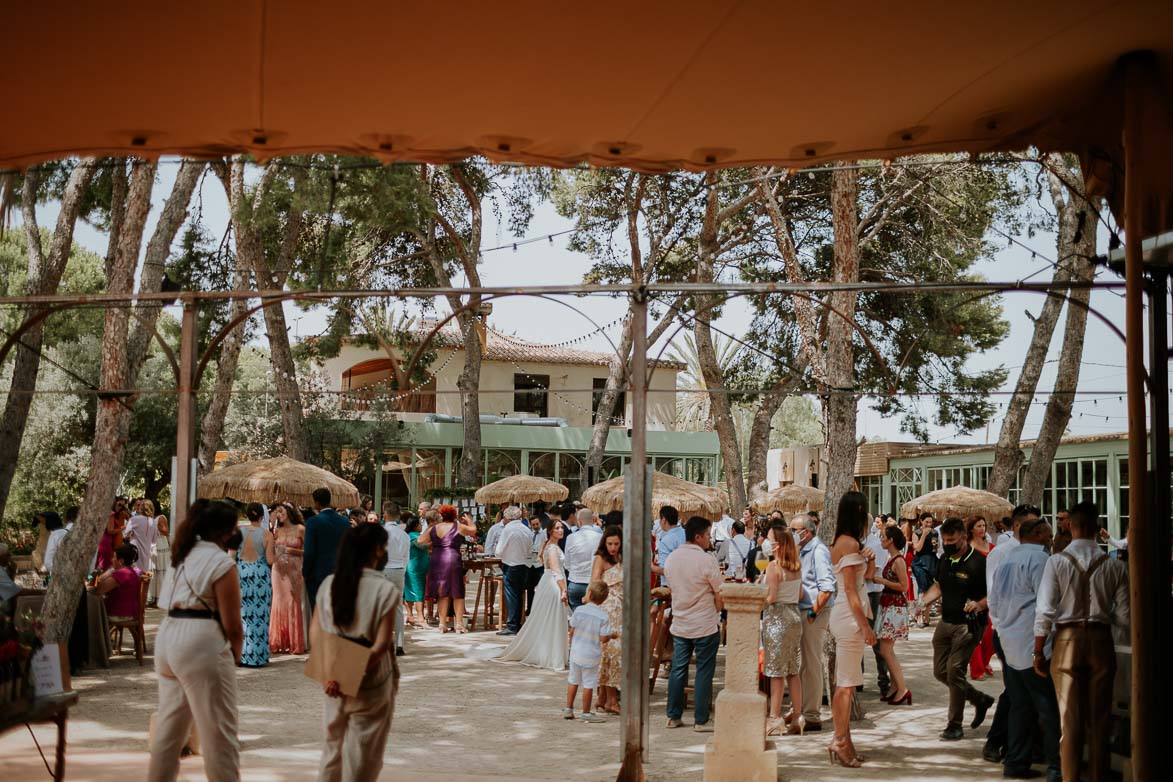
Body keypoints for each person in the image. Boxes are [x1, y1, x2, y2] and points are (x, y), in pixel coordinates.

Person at [149, 499, 244, 782]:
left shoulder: (183, 555)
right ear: (226, 532)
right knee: (219, 734)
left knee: (168, 734)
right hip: (200, 640)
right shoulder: (221, 562)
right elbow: (233, 625)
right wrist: (234, 655)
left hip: (168, 636)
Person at [1034, 501, 1129, 782]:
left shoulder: (1057, 561)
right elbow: (1124, 616)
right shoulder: (1114, 566)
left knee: (1070, 723)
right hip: (1100, 640)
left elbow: (1045, 611)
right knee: (1099, 721)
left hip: (1066, 640)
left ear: (1071, 526)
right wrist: (1101, 614)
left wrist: (1038, 651)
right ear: (1097, 528)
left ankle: (1071, 777)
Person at [316, 523, 399, 782]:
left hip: (333, 676)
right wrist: (353, 672)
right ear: (376, 550)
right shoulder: (385, 590)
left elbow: (318, 635)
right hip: (371, 677)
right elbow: (382, 644)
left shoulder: (329, 584)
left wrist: (333, 676)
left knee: (332, 750)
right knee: (363, 757)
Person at [987, 517, 1061, 781]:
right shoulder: (1041, 560)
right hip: (1031, 642)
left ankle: (1016, 762)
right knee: (1046, 706)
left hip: (1009, 639)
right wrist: (1040, 646)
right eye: (1049, 533)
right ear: (1039, 533)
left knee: (1020, 705)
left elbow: (994, 603)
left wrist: (1005, 631)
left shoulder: (1006, 558)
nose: (1052, 538)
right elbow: (1046, 606)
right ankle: (1055, 766)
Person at [919, 516, 996, 741]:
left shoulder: (979, 563)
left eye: (952, 540)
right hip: (946, 623)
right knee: (940, 671)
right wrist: (923, 602)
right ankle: (979, 698)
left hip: (969, 625)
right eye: (945, 540)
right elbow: (939, 585)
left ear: (964, 537)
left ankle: (954, 725)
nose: (948, 544)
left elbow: (995, 592)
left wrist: (979, 604)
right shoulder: (945, 559)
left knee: (955, 671)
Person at [981, 502, 1039, 765]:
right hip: (1008, 632)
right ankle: (996, 741)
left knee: (1020, 691)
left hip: (1029, 633)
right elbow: (995, 596)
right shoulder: (1002, 553)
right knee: (1015, 692)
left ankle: (1015, 744)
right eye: (1033, 525)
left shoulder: (1038, 551)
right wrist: (1002, 629)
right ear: (1017, 525)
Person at [827, 492, 877, 767]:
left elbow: (865, 578)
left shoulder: (845, 543)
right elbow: (850, 589)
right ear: (859, 510)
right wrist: (865, 625)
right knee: (845, 686)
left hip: (846, 614)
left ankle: (846, 740)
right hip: (849, 615)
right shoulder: (848, 543)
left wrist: (868, 559)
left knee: (845, 683)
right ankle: (840, 741)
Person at [664, 516, 723, 733]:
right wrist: (716, 610)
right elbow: (719, 593)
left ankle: (673, 715)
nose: (710, 539)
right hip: (705, 623)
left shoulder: (671, 559)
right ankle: (701, 719)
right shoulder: (707, 560)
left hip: (681, 621)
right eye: (708, 535)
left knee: (678, 669)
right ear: (698, 537)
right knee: (704, 671)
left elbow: (671, 587)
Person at [494, 518, 569, 670]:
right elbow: (555, 570)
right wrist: (563, 589)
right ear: (550, 531)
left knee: (548, 617)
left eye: (561, 528)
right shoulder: (552, 548)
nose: (560, 530)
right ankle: (549, 653)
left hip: (548, 581)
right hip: (554, 584)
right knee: (551, 617)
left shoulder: (549, 545)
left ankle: (549, 650)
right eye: (557, 528)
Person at [762, 521, 805, 737]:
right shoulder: (796, 567)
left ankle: (775, 717)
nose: (767, 543)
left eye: (770, 540)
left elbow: (770, 598)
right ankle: (798, 716)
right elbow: (799, 595)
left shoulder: (774, 567)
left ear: (777, 545)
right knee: (792, 670)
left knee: (775, 671)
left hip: (777, 618)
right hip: (794, 617)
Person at [791, 513, 834, 730]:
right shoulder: (805, 550)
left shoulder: (818, 551)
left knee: (812, 664)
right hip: (805, 611)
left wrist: (812, 614)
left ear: (805, 532)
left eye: (794, 530)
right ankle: (802, 709)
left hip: (813, 613)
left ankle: (812, 715)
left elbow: (827, 588)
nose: (791, 534)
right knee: (804, 665)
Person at [563, 579, 616, 723]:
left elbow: (572, 629)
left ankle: (569, 708)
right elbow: (603, 638)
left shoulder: (579, 610)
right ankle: (586, 712)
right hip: (591, 654)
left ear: (589, 593)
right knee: (588, 684)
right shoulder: (603, 616)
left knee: (573, 680)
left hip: (576, 652)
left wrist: (571, 642)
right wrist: (612, 635)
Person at [870, 524, 911, 705]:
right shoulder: (892, 558)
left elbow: (904, 586)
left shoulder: (898, 561)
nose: (881, 540)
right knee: (886, 650)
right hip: (889, 605)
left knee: (886, 650)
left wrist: (882, 580)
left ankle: (902, 688)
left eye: (883, 537)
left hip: (894, 606)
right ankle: (896, 686)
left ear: (891, 540)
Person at [418, 504, 476, 632]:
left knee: (442, 592)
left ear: (441, 515)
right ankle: (459, 624)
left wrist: (434, 542)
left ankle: (442, 624)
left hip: (437, 559)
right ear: (454, 515)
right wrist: (469, 520)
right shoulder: (458, 527)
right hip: (453, 558)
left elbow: (420, 540)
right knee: (457, 592)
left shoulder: (435, 528)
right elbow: (473, 530)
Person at [236, 503, 275, 668]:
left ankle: (241, 654)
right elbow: (270, 560)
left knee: (243, 615)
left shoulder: (239, 532)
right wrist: (279, 553)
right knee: (260, 615)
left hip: (242, 574)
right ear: (261, 516)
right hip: (260, 577)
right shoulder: (267, 535)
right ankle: (257, 656)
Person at [591, 525, 623, 715]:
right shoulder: (600, 559)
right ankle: (610, 698)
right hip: (607, 607)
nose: (613, 547)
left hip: (621, 609)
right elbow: (594, 583)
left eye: (616, 544)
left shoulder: (622, 558)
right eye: (610, 543)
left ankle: (603, 696)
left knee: (612, 653)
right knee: (610, 652)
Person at [303, 488, 351, 609]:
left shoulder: (313, 522)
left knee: (318, 610)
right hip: (339, 571)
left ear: (317, 503)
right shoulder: (344, 521)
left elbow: (309, 552)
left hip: (318, 573)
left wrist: (305, 572)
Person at [270, 502, 307, 655]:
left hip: (295, 570)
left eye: (280, 511)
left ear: (289, 511)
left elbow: (307, 550)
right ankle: (278, 641)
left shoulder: (301, 529)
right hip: (278, 570)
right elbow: (271, 551)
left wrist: (289, 550)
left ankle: (294, 642)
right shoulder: (276, 531)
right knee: (278, 601)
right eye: (277, 512)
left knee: (293, 601)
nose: (278, 514)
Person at [863, 514, 891, 695]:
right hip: (860, 593)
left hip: (873, 593)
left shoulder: (875, 544)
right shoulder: (856, 543)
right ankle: (858, 678)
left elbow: (874, 573)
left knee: (876, 638)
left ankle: (884, 680)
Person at [495, 506, 533, 635]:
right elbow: (530, 550)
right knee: (519, 595)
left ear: (507, 518)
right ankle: (518, 622)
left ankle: (512, 624)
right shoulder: (526, 530)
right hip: (524, 565)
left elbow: (499, 551)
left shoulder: (508, 530)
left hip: (510, 565)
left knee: (511, 595)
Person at [382, 509, 410, 656]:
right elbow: (407, 556)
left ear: (385, 515)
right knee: (398, 608)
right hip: (398, 569)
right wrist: (402, 570)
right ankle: (399, 644)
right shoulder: (404, 535)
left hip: (384, 569)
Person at [92, 543, 143, 621]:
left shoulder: (122, 574)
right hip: (129, 612)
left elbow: (98, 590)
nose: (111, 559)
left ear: (121, 561)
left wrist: (94, 576)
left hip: (120, 614)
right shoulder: (130, 571)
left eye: (114, 557)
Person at [564, 508, 602, 610]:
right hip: (593, 583)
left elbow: (566, 563)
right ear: (593, 521)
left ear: (579, 522)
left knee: (577, 618)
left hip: (575, 581)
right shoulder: (600, 537)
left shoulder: (571, 538)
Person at [910, 513, 938, 626]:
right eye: (926, 522)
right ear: (921, 521)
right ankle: (919, 615)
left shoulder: (935, 532)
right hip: (920, 562)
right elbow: (917, 548)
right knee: (922, 587)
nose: (929, 524)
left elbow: (936, 548)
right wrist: (924, 536)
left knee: (931, 588)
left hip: (931, 561)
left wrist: (935, 544)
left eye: (930, 522)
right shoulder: (916, 533)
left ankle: (926, 615)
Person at [404, 516, 430, 627]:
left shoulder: (409, 536)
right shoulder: (413, 536)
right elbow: (421, 546)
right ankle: (420, 617)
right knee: (419, 592)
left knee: (409, 590)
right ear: (415, 526)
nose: (421, 526)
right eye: (419, 524)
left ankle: (410, 615)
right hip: (415, 568)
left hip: (414, 567)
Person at [125, 501, 159, 583]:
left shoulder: (134, 519)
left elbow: (125, 534)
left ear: (141, 508)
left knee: (132, 577)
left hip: (134, 553)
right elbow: (154, 540)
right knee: (142, 580)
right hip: (146, 555)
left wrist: (132, 534)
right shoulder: (153, 522)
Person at [651, 506, 683, 586]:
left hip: (671, 585)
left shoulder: (666, 540)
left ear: (664, 520)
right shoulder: (687, 533)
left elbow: (665, 570)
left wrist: (651, 567)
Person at [98, 499, 129, 571]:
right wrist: (123, 527)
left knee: (101, 566)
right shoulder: (111, 514)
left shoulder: (112, 514)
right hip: (106, 542)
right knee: (101, 566)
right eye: (119, 505)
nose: (120, 507)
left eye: (122, 506)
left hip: (106, 541)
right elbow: (110, 530)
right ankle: (89, 580)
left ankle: (91, 580)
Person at [149, 505, 171, 607]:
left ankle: (160, 599)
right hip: (155, 546)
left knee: (160, 572)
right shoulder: (152, 519)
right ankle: (154, 598)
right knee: (155, 572)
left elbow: (166, 531)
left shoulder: (160, 518)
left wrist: (156, 528)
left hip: (161, 544)